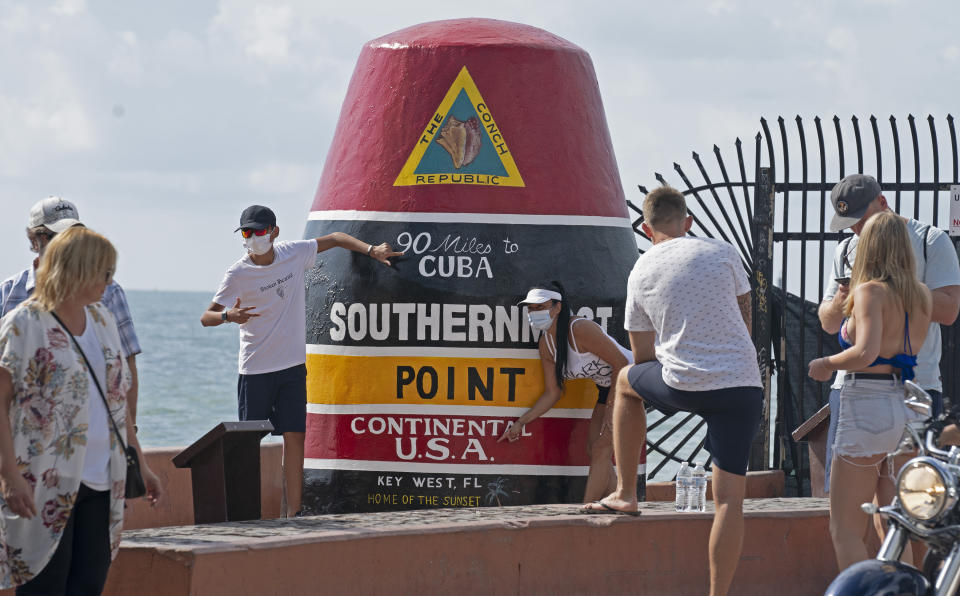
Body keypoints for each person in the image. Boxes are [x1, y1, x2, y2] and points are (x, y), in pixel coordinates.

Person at [582, 186, 762, 596]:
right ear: (689, 222)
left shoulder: (641, 271)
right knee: (729, 502)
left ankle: (627, 493)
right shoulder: (722, 251)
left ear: (645, 229)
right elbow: (746, 314)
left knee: (627, 382)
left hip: (682, 383)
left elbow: (642, 356)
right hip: (740, 382)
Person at [201, 205, 401, 517]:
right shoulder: (237, 274)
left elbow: (334, 237)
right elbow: (206, 317)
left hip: (292, 368)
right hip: (255, 370)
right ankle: (246, 515)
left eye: (259, 231)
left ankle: (292, 513)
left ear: (274, 232)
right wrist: (229, 315)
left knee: (295, 437)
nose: (253, 238)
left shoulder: (293, 254)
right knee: (247, 445)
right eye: (247, 232)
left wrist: (371, 249)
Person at [0, 227, 163, 594]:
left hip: (103, 479)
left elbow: (115, 399)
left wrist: (140, 460)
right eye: (104, 271)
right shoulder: (24, 324)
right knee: (45, 585)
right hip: (43, 478)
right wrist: (8, 474)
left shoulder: (103, 320)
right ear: (78, 269)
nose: (110, 281)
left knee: (88, 585)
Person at [818, 175, 960, 491]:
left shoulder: (930, 240)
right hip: (851, 389)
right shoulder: (845, 249)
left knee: (915, 500)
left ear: (883, 203)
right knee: (847, 506)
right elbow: (828, 321)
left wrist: (885, 291)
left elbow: (950, 310)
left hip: (915, 386)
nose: (857, 230)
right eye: (849, 223)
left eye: (861, 219)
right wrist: (843, 298)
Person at [808, 211, 932, 571]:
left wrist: (827, 363)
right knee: (894, 526)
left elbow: (867, 352)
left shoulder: (869, 292)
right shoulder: (921, 295)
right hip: (905, 406)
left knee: (845, 529)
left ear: (869, 247)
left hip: (866, 403)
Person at [0, 197, 144, 430]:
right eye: (57, 236)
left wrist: (130, 434)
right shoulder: (7, 294)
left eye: (73, 236)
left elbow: (126, 363)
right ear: (35, 241)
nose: (68, 244)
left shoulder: (108, 290)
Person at [497, 282, 634, 502]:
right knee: (593, 449)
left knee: (601, 448)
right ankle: (616, 501)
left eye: (539, 307)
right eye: (530, 309)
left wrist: (611, 410)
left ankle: (586, 511)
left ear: (557, 307)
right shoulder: (547, 344)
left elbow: (620, 364)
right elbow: (553, 393)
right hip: (607, 387)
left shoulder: (579, 329)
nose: (533, 313)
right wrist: (521, 422)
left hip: (629, 382)